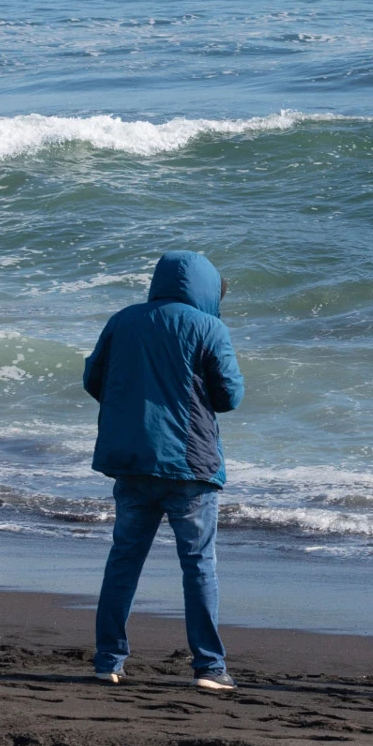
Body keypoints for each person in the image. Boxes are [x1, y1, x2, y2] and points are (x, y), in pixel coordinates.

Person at [84, 251, 244, 691]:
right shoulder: (209, 326)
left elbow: (93, 379)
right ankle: (209, 668)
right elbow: (229, 395)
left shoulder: (123, 320)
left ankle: (109, 660)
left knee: (124, 561)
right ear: (207, 289)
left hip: (134, 462)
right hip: (190, 467)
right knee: (197, 565)